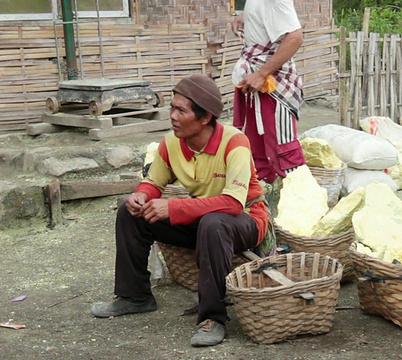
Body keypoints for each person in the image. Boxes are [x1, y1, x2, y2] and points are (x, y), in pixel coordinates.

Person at [91, 74, 272, 347]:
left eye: (181, 110)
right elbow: (154, 182)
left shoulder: (235, 143)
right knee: (129, 213)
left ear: (205, 118)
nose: (172, 116)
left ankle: (213, 317)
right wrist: (141, 195)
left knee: (215, 222)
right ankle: (134, 297)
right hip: (203, 222)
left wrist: (174, 207)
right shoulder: (172, 142)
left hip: (244, 221)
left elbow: (234, 204)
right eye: (172, 108)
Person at [230, 0, 306, 185]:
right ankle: (263, 191)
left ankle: (300, 192)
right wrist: (247, 17)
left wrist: (262, 74)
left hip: (271, 80)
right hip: (256, 74)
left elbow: (295, 37)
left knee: (281, 145)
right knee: (256, 141)